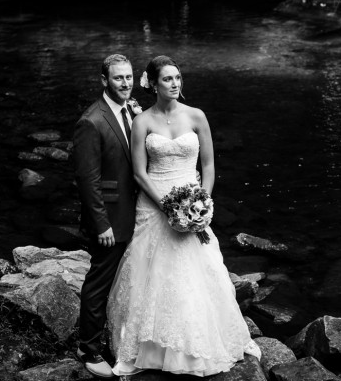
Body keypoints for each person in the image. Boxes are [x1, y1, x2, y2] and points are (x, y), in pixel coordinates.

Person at [106, 55, 260, 377]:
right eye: (167, 79)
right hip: (154, 203)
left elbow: (208, 166)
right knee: (152, 272)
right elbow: (138, 173)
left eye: (177, 78)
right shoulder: (143, 122)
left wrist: (202, 203)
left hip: (192, 199)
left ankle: (199, 341)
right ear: (153, 83)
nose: (175, 84)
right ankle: (148, 347)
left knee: (196, 270)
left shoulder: (196, 116)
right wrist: (166, 205)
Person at [73, 54, 139, 378]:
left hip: (135, 214)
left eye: (128, 77)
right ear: (104, 81)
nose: (125, 83)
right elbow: (88, 180)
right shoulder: (91, 121)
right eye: (118, 78)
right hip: (110, 220)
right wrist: (102, 225)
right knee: (99, 283)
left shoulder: (130, 111)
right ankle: (88, 347)